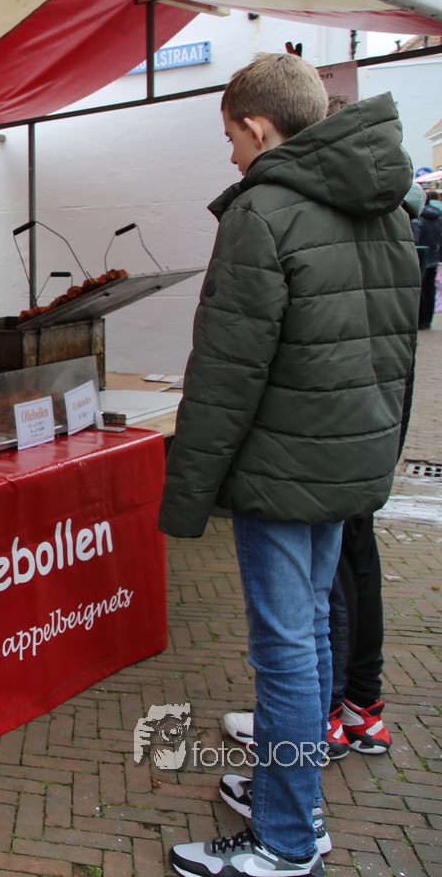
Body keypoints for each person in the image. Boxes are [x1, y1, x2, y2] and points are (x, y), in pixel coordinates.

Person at [161, 53, 419, 877]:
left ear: (259, 128)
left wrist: (185, 495)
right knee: (306, 636)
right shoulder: (386, 205)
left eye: (231, 137)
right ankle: (291, 799)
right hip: (347, 459)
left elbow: (226, 373)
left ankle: (286, 840)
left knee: (286, 651)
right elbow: (400, 351)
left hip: (280, 471)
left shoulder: (262, 212)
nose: (232, 154)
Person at [415, 189, 441, 329]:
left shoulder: (418, 218)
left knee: (421, 288)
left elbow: (416, 239)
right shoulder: (438, 217)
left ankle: (421, 320)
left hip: (421, 257)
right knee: (430, 287)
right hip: (434, 256)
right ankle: (428, 320)